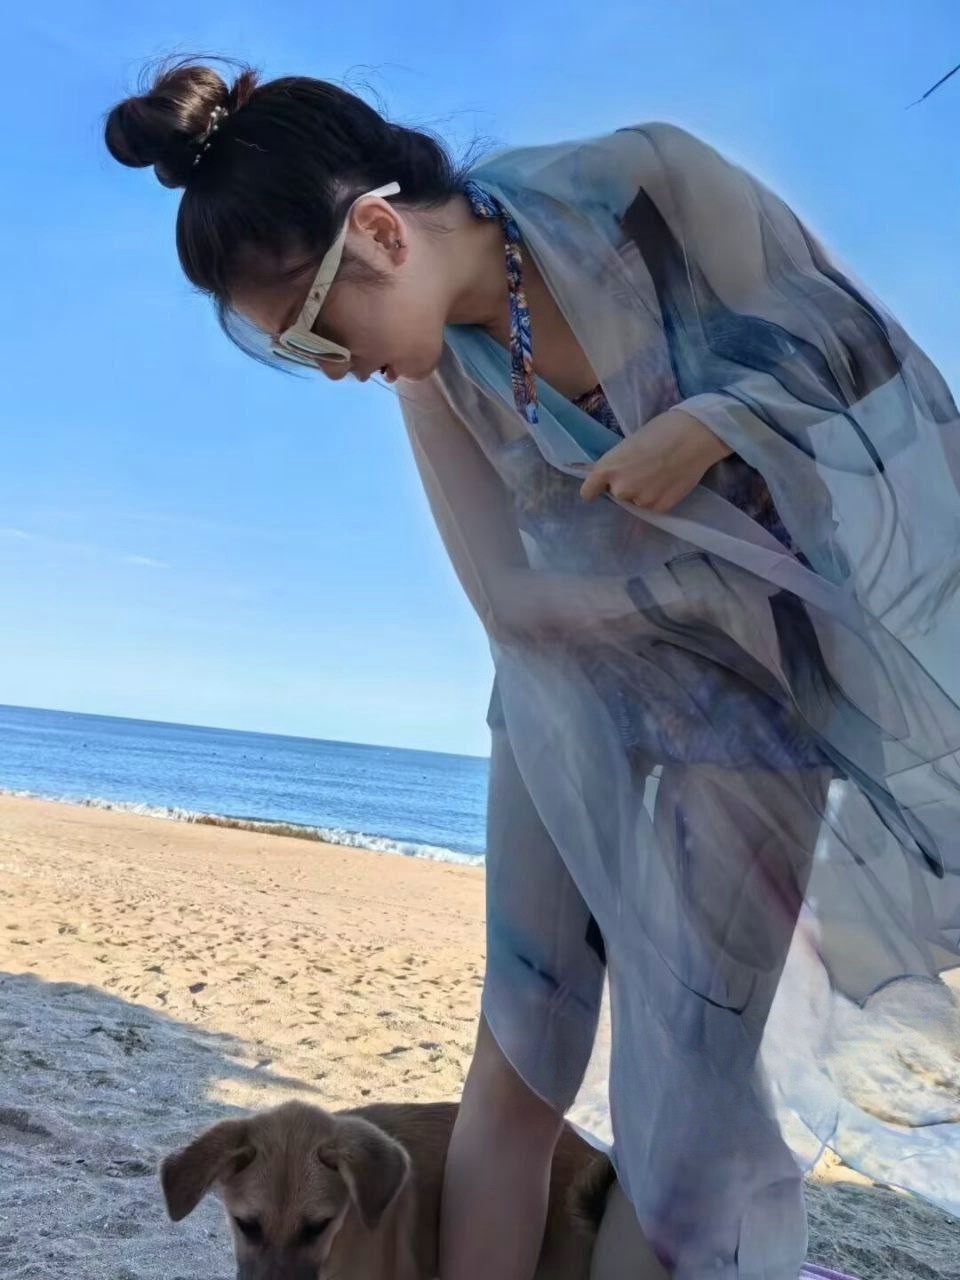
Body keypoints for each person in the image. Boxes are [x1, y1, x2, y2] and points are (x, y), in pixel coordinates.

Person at [104, 60, 960, 1280]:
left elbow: (860, 344)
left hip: (762, 695)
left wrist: (715, 422)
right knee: (518, 1051)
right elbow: (509, 601)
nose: (330, 366)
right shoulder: (434, 378)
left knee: (693, 1082)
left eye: (311, 328)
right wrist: (678, 584)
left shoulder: (645, 189)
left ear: (380, 232)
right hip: (565, 698)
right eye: (292, 350)